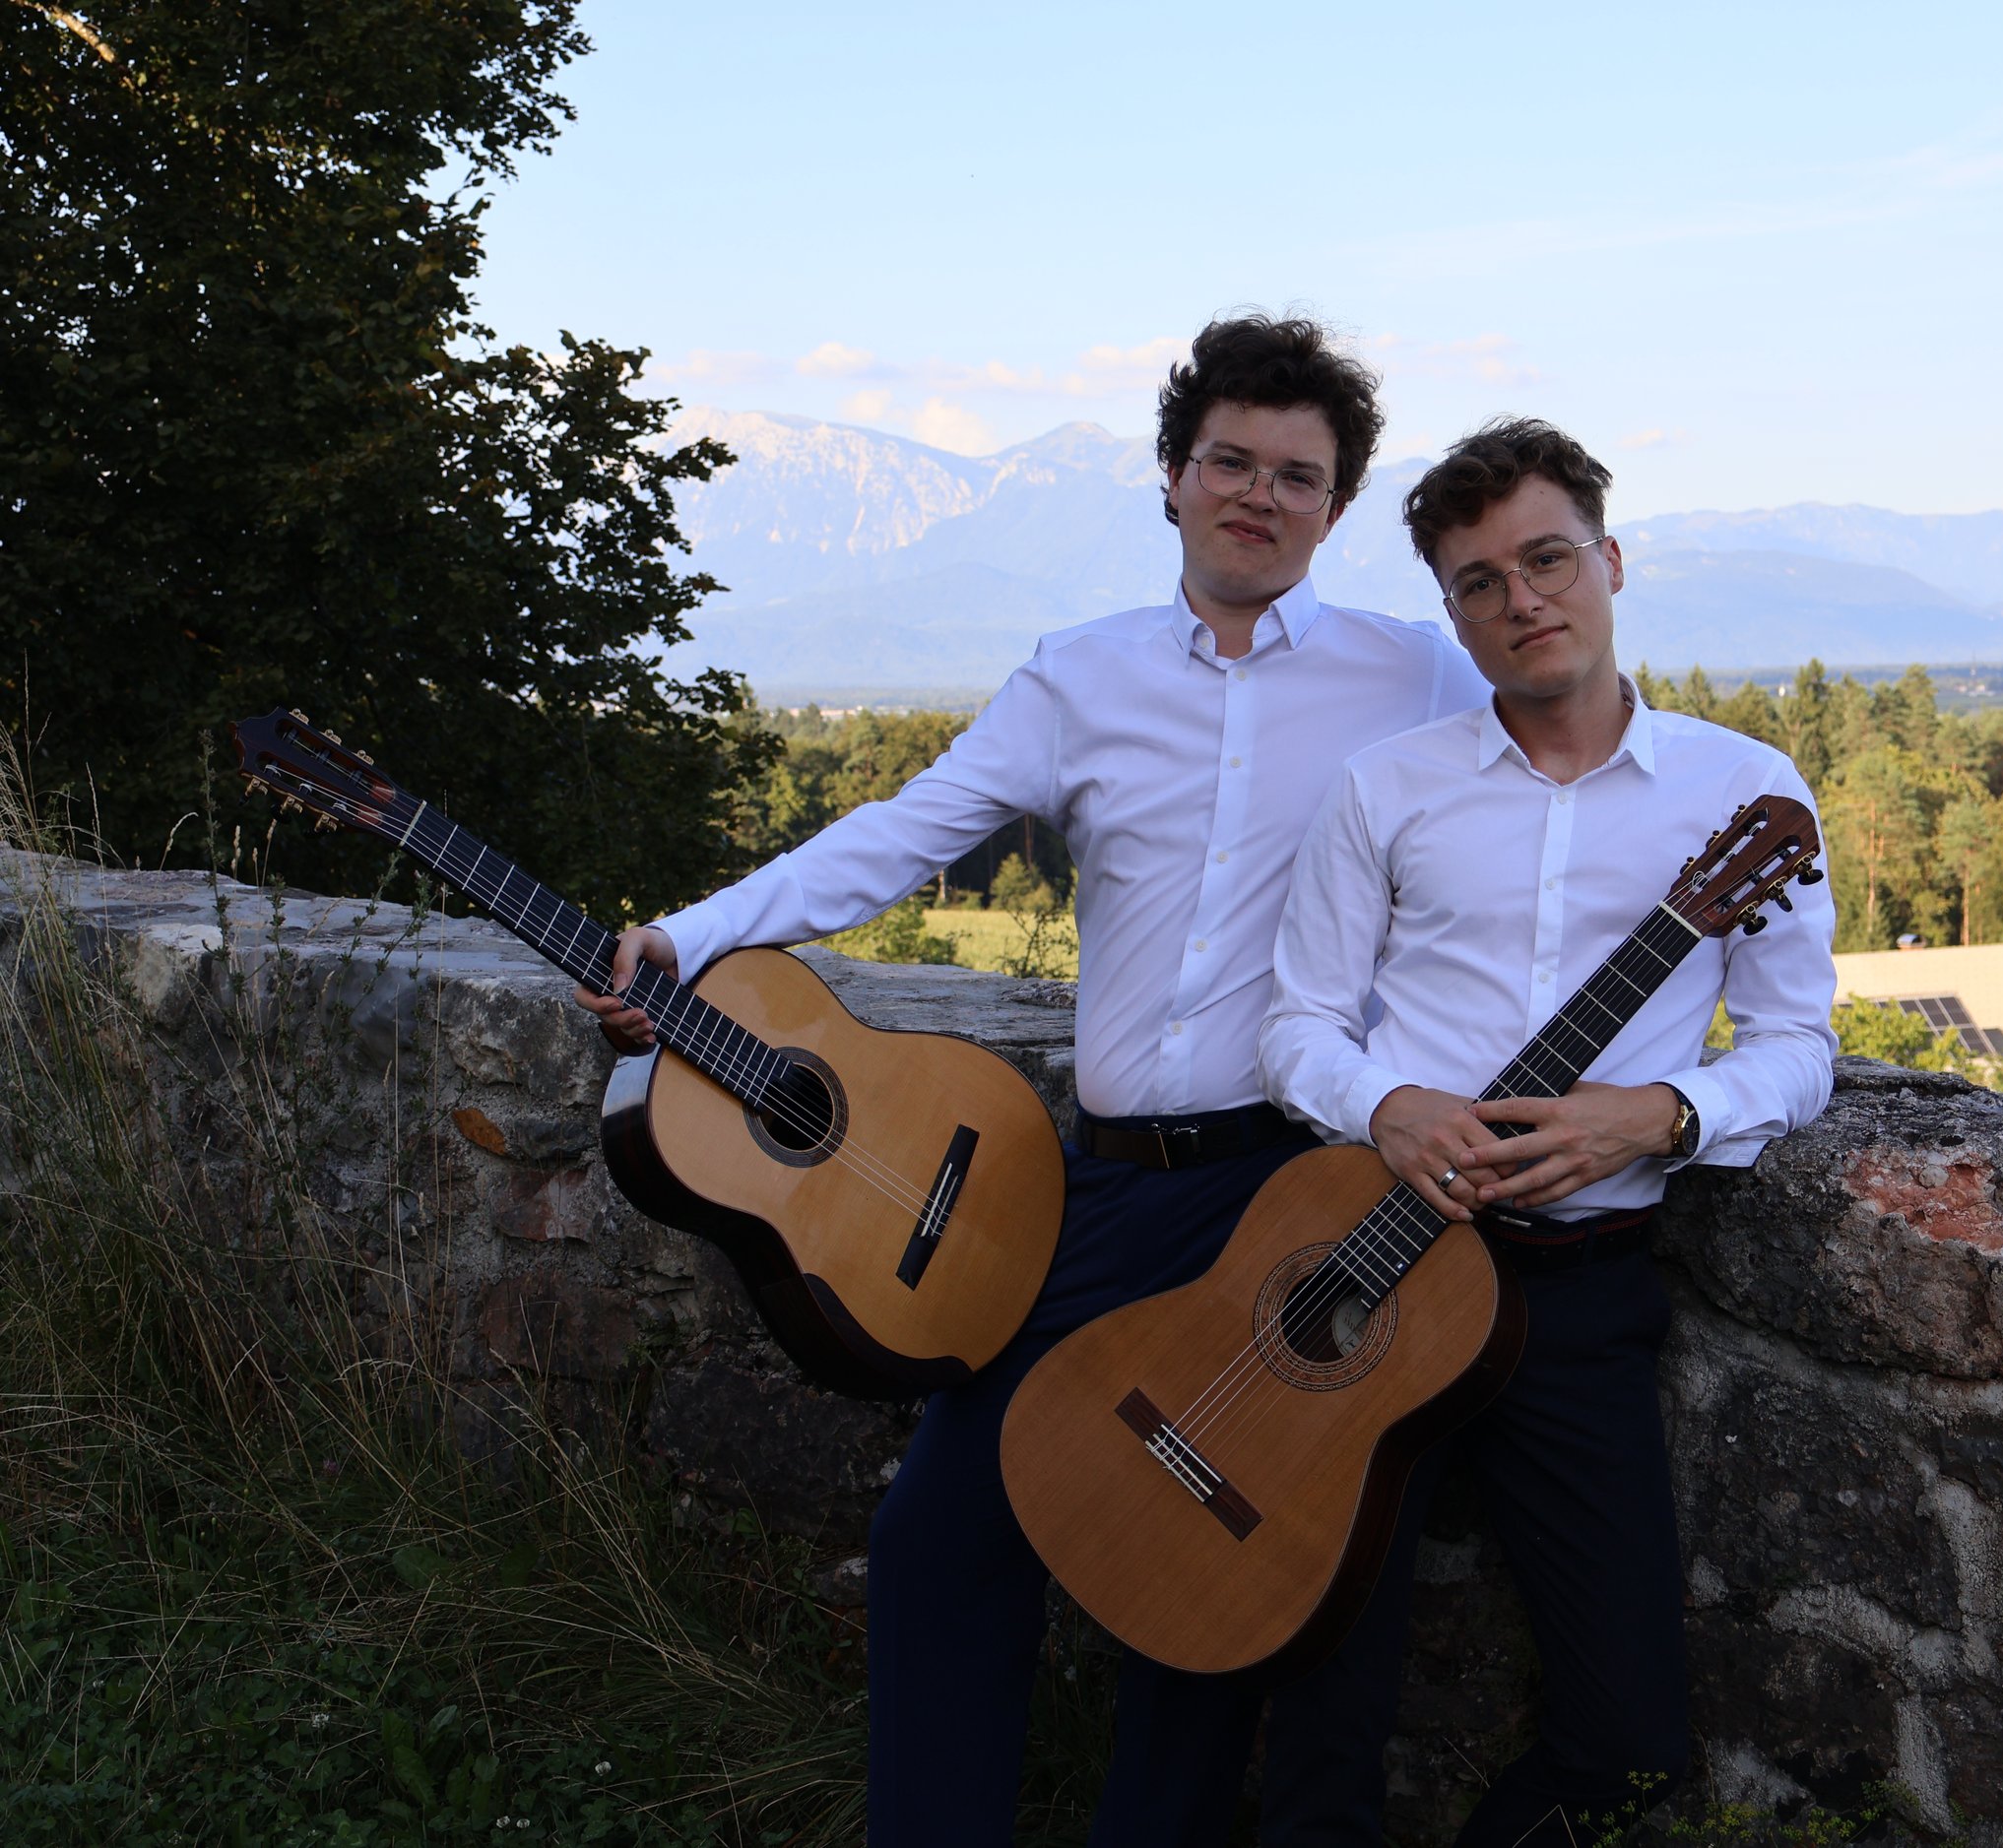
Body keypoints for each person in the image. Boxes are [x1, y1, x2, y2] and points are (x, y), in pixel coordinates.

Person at [572, 315, 1491, 1846]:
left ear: (1336, 507)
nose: (1259, 495)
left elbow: (1563, 802)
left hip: (1301, 1190)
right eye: (1230, 463)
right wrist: (690, 938)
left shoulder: (1419, 679)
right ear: (1175, 477)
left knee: (1197, 1580)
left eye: (1297, 475)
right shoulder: (1080, 679)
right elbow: (898, 835)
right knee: (944, 1538)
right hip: (1106, 1190)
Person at [1252, 418, 1839, 1845]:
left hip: (1574, 1299)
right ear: (1454, 610)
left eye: (1547, 558)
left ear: (1611, 559)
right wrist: (1385, 1107)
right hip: (1367, 1268)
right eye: (1478, 581)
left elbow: (1797, 1044)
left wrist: (1663, 1112)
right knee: (1312, 1685)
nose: (1522, 599)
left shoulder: (1740, 794)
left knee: (1628, 1741)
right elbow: (1297, 1026)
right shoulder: (1386, 787)